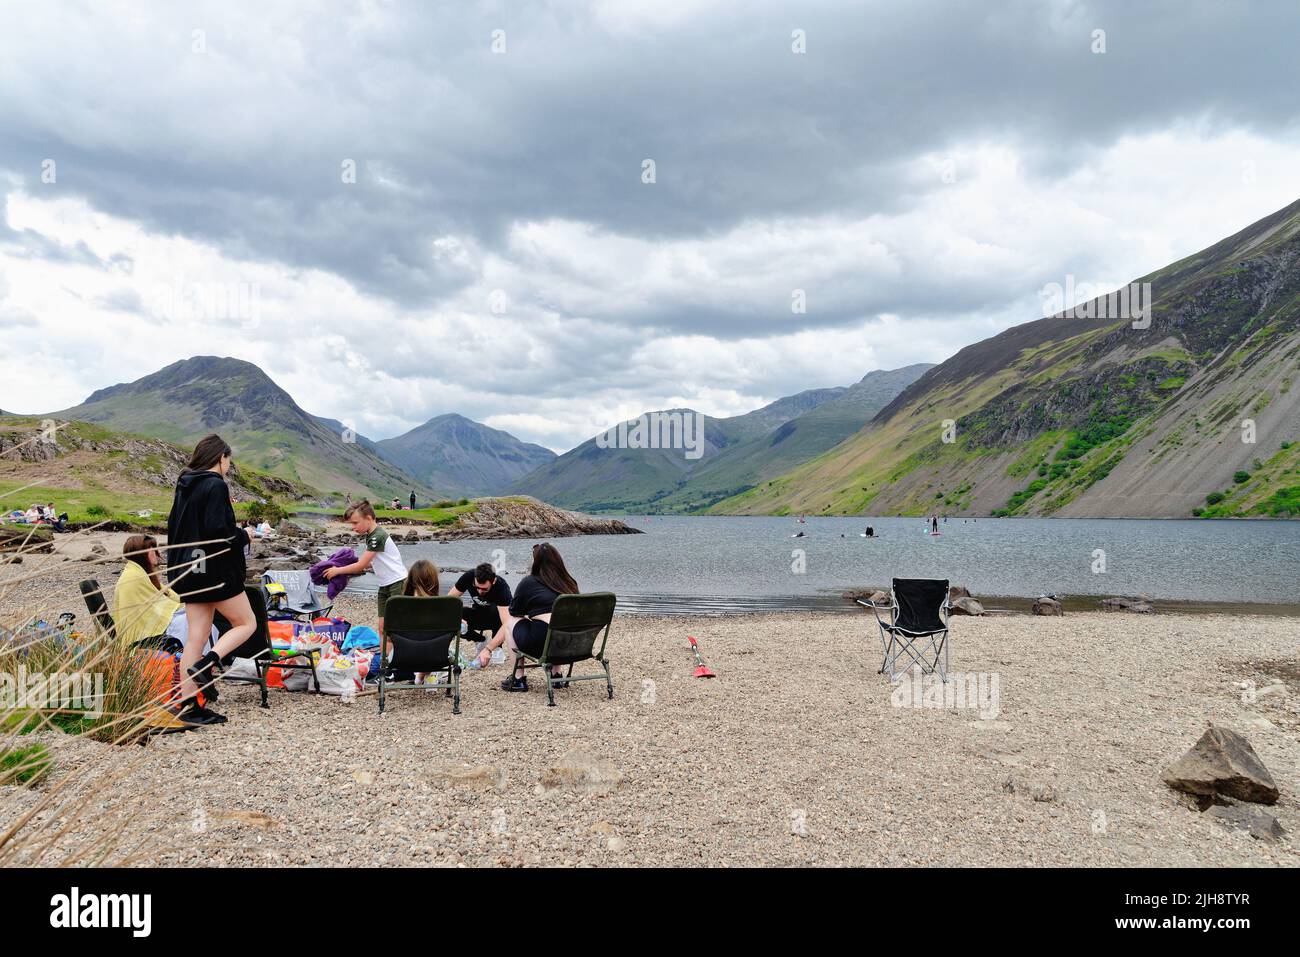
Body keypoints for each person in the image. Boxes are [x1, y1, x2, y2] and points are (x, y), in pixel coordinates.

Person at [166, 434, 257, 726]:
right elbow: (219, 533)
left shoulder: (184, 486)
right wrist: (245, 535)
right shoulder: (215, 484)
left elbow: (177, 530)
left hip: (188, 570)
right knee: (246, 623)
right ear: (221, 458)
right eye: (228, 460)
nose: (228, 466)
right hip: (215, 572)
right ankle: (209, 663)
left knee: (197, 636)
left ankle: (188, 705)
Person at [476, 542, 577, 692]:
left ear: (535, 563)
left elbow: (515, 612)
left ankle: (518, 679)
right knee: (557, 625)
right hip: (572, 644)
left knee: (511, 623)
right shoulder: (569, 583)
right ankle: (556, 676)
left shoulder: (529, 582)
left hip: (543, 646)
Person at [112, 535, 217, 652]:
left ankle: (203, 657)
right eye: (152, 549)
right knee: (190, 622)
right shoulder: (134, 576)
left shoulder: (140, 572)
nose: (157, 553)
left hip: (154, 624)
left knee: (194, 618)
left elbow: (166, 596)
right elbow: (159, 606)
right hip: (145, 634)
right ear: (142, 553)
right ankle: (200, 658)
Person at [324, 500, 408, 638]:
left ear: (368, 518)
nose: (353, 527)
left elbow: (361, 565)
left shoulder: (377, 537)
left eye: (355, 523)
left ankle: (399, 657)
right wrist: (343, 565)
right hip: (384, 585)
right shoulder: (371, 536)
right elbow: (370, 562)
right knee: (382, 627)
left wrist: (337, 571)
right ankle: (384, 659)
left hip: (397, 583)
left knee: (395, 627)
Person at [448, 562, 512, 655]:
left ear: (493, 581)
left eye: (484, 589)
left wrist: (489, 649)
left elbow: (507, 623)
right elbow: (449, 601)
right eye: (477, 587)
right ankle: (480, 640)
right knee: (452, 616)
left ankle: (497, 648)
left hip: (496, 620)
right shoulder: (469, 576)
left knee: (497, 612)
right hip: (478, 614)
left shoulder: (502, 588)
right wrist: (459, 619)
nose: (480, 591)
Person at [401, 559, 440, 684]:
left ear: (411, 580)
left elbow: (390, 637)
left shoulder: (399, 605)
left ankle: (420, 677)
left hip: (403, 657)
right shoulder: (444, 606)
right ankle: (426, 676)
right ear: (434, 581)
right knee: (432, 644)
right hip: (438, 657)